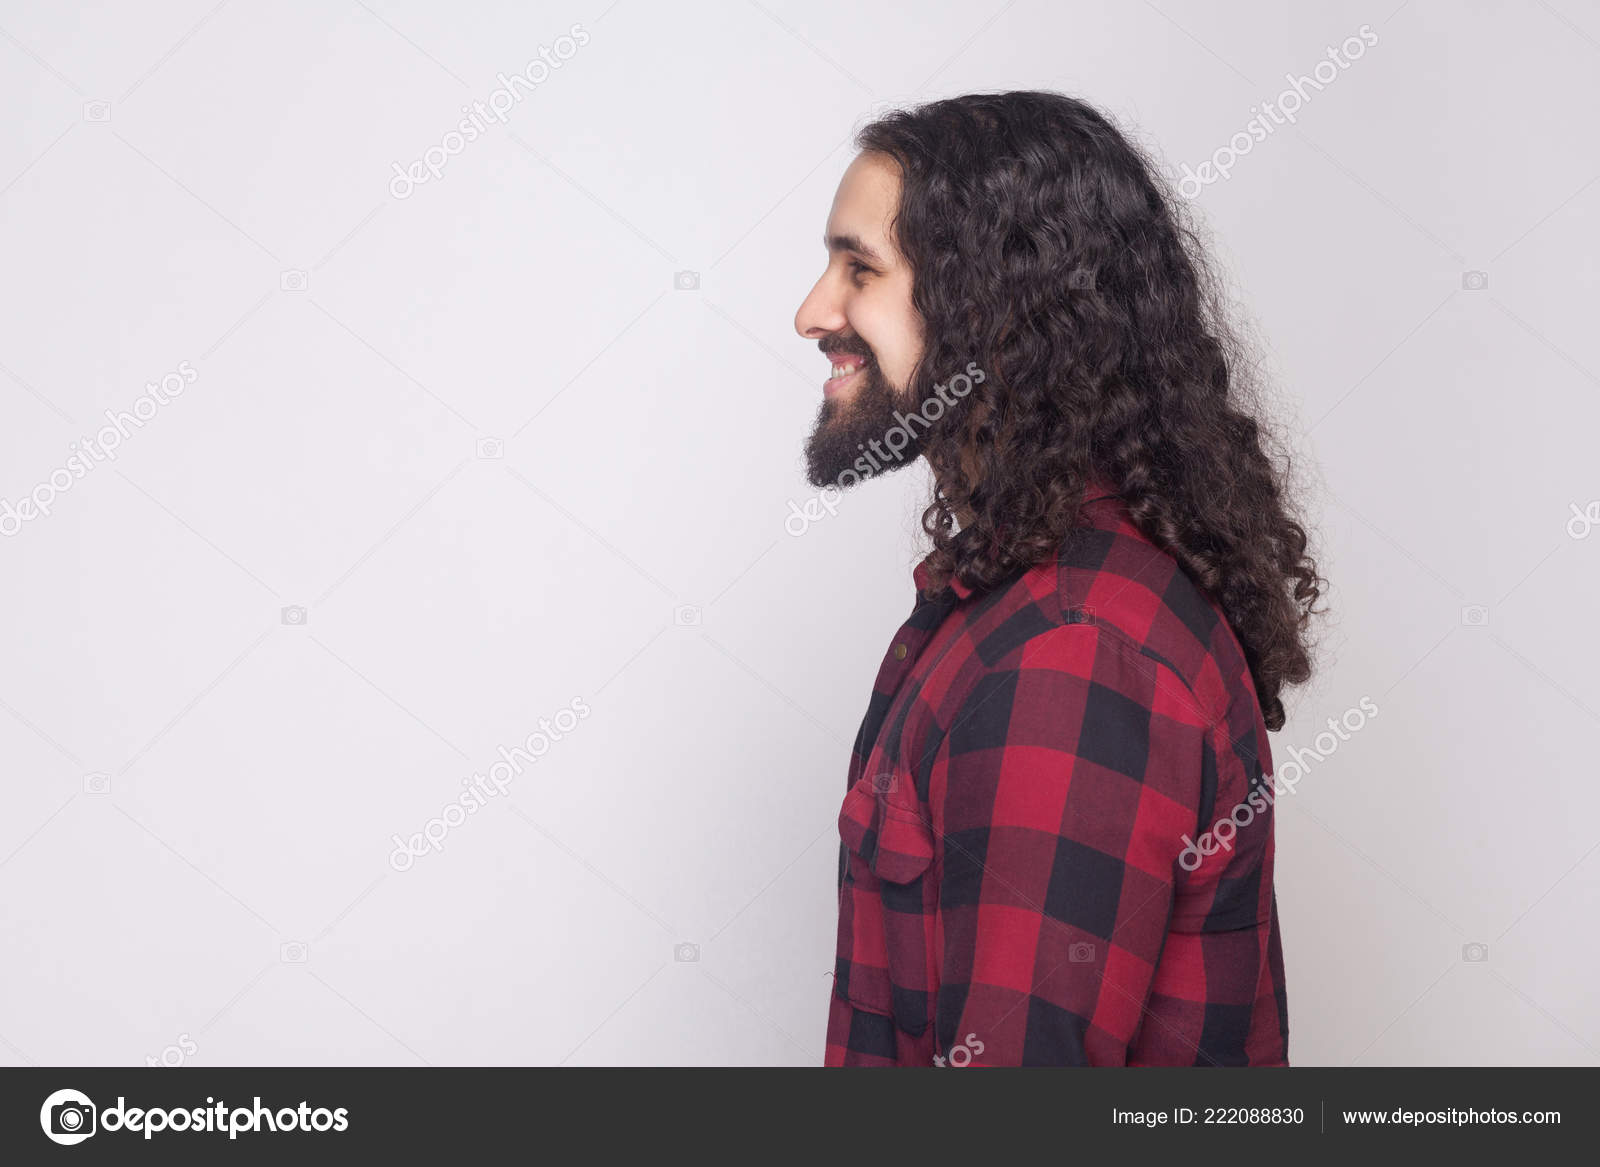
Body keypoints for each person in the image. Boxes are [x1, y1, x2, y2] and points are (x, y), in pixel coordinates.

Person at [793, 91, 1325, 1066]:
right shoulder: (1022, 600)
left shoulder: (1069, 657)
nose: (812, 312)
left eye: (859, 269)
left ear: (989, 304)